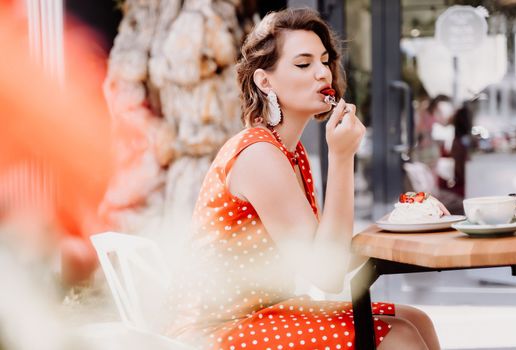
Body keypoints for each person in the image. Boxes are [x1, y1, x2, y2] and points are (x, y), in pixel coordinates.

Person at [167, 8, 441, 350]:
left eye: (324, 61)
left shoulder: (289, 153)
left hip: (270, 312)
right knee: (398, 334)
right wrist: (342, 158)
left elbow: (328, 250)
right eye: (303, 64)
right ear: (265, 81)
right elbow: (326, 274)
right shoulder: (258, 155)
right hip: (219, 330)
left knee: (416, 319)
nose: (322, 73)